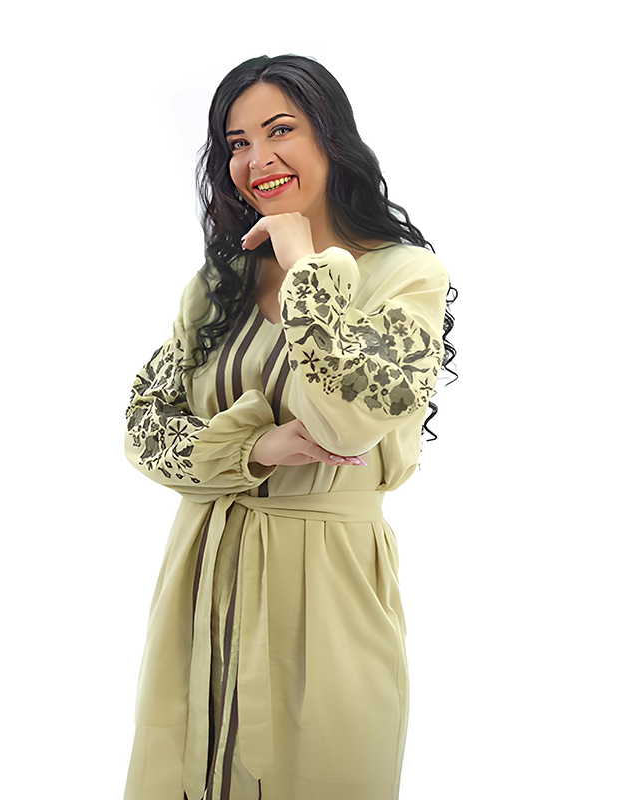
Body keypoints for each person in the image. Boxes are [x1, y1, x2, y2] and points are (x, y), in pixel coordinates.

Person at [122, 54, 458, 800]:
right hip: (201, 579)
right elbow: (143, 428)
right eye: (237, 143)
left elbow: (349, 419)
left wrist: (307, 264)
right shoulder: (219, 285)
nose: (258, 160)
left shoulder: (407, 276)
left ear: (331, 138)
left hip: (328, 587)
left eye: (281, 131)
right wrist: (252, 449)